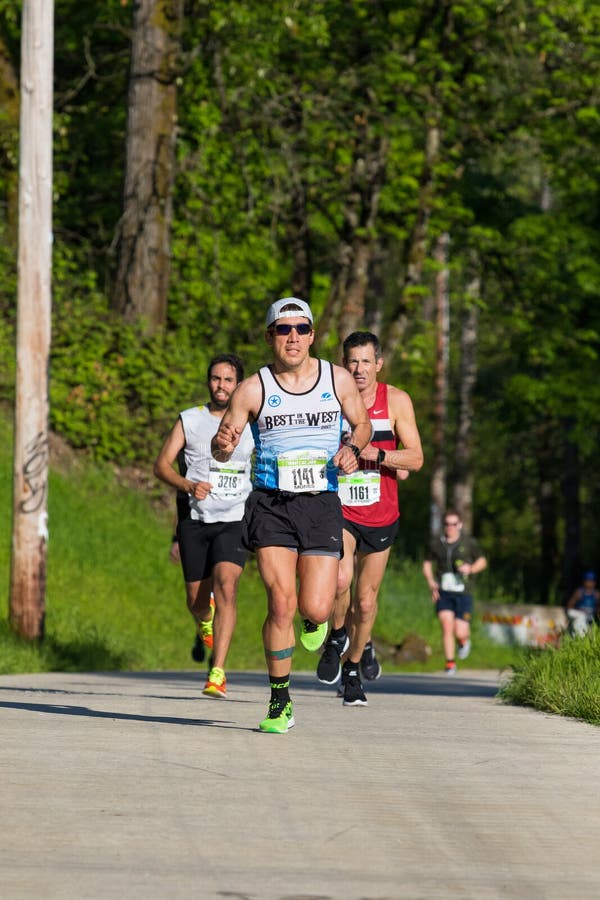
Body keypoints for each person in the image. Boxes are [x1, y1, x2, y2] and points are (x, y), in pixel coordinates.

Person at [211, 297, 371, 733]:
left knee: (315, 606)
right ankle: (280, 701)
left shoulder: (336, 379)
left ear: (313, 335)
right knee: (279, 602)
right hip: (271, 504)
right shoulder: (252, 388)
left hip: (320, 502)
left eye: (302, 328)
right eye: (284, 329)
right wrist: (222, 447)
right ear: (270, 337)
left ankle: (315, 620)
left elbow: (362, 424)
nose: (293, 336)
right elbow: (222, 443)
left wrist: (351, 448)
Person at [315, 331, 424, 706]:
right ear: (343, 364)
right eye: (352, 362)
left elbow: (416, 458)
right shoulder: (330, 397)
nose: (359, 369)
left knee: (365, 601)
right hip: (340, 508)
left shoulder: (396, 400)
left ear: (378, 364)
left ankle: (354, 666)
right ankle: (336, 636)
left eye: (366, 362)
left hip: (381, 513)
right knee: (340, 579)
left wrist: (378, 455)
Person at [154, 353, 254, 698]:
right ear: (208, 382)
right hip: (195, 520)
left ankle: (218, 671)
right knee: (197, 601)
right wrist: (187, 486)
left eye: (228, 380)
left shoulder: (253, 423)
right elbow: (162, 466)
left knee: (227, 586)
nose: (221, 386)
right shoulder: (190, 420)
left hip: (234, 519)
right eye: (215, 379)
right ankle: (203, 619)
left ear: (239, 385)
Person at [423, 510, 487, 675]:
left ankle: (463, 640)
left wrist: (470, 568)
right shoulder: (436, 543)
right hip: (443, 591)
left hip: (463, 591)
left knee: (460, 630)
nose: (450, 527)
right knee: (446, 625)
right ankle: (450, 663)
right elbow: (427, 563)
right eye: (447, 524)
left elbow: (482, 561)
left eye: (453, 524)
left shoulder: (468, 542)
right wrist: (431, 583)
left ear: (460, 524)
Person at [566, 571, 599, 637]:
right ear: (584, 581)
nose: (590, 583)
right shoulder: (579, 592)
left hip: (590, 620)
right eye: (588, 581)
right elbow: (569, 607)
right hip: (579, 619)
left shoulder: (596, 594)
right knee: (581, 620)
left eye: (592, 581)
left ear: (595, 582)